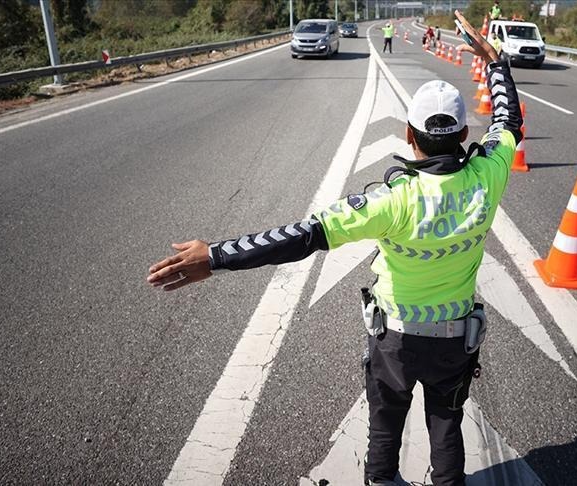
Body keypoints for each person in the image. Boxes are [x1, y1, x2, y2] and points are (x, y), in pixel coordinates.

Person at [146, 10, 523, 486]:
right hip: (455, 341)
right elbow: (509, 119)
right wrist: (495, 63)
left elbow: (300, 237)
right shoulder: (488, 176)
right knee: (446, 426)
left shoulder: (392, 201)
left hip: (397, 341)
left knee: (385, 426)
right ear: (465, 136)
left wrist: (215, 255)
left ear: (409, 136)